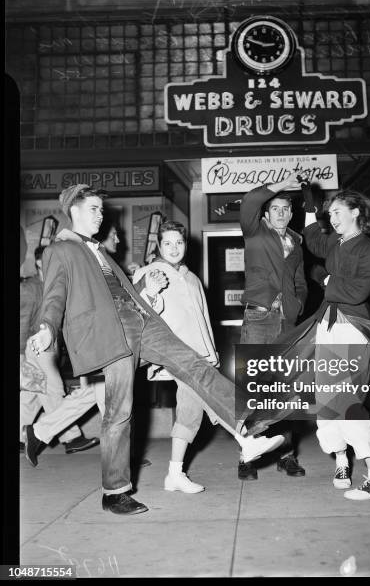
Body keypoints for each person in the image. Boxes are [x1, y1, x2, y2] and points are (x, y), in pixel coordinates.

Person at [26, 184, 285, 515]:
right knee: (119, 412)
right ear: (73, 210)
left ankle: (246, 430)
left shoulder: (99, 250)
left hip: (140, 323)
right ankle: (114, 492)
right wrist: (47, 327)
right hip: (109, 334)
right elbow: (54, 295)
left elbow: (120, 292)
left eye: (101, 210)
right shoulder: (60, 250)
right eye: (94, 209)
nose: (100, 215)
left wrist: (144, 291)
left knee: (194, 364)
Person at [275, 186, 370, 500]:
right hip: (327, 326)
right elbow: (313, 238)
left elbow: (356, 293)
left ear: (356, 213)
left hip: (351, 328)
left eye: (337, 212)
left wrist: (325, 280)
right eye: (331, 214)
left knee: (347, 402)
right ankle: (341, 461)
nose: (332, 218)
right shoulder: (337, 243)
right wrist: (312, 207)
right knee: (326, 402)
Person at [132, 220, 220, 494]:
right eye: (167, 243)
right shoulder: (149, 273)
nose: (173, 248)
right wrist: (150, 291)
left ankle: (175, 473)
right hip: (174, 352)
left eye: (179, 243)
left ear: (185, 245)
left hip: (200, 353)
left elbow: (203, 317)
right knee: (202, 402)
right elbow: (138, 307)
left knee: (195, 406)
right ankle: (244, 436)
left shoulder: (192, 278)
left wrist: (212, 351)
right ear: (159, 246)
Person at [238, 176, 308, 480]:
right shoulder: (255, 232)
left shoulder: (297, 242)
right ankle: (247, 457)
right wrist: (283, 184)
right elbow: (251, 199)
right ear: (266, 215)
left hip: (286, 322)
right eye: (275, 208)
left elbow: (301, 283)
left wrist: (295, 306)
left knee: (287, 390)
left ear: (291, 214)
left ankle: (287, 455)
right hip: (258, 318)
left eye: (285, 209)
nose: (280, 213)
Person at [20, 245, 100, 455]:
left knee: (33, 394)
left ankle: (19, 436)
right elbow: (20, 323)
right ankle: (70, 437)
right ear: (39, 263)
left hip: (50, 348)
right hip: (35, 347)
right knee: (53, 389)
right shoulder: (29, 288)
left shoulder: (55, 285)